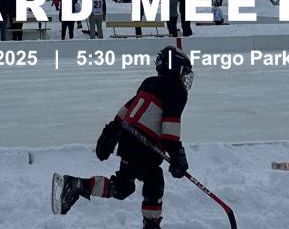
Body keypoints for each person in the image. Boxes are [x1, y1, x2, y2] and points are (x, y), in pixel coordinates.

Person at [54, 46, 193, 229]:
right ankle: (151, 225)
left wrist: (110, 133)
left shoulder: (149, 82)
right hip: (144, 143)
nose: (185, 78)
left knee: (125, 186)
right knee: (152, 180)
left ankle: (77, 185)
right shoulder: (176, 90)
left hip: (129, 139)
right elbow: (170, 126)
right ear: (175, 68)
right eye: (184, 72)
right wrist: (177, 154)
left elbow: (127, 108)